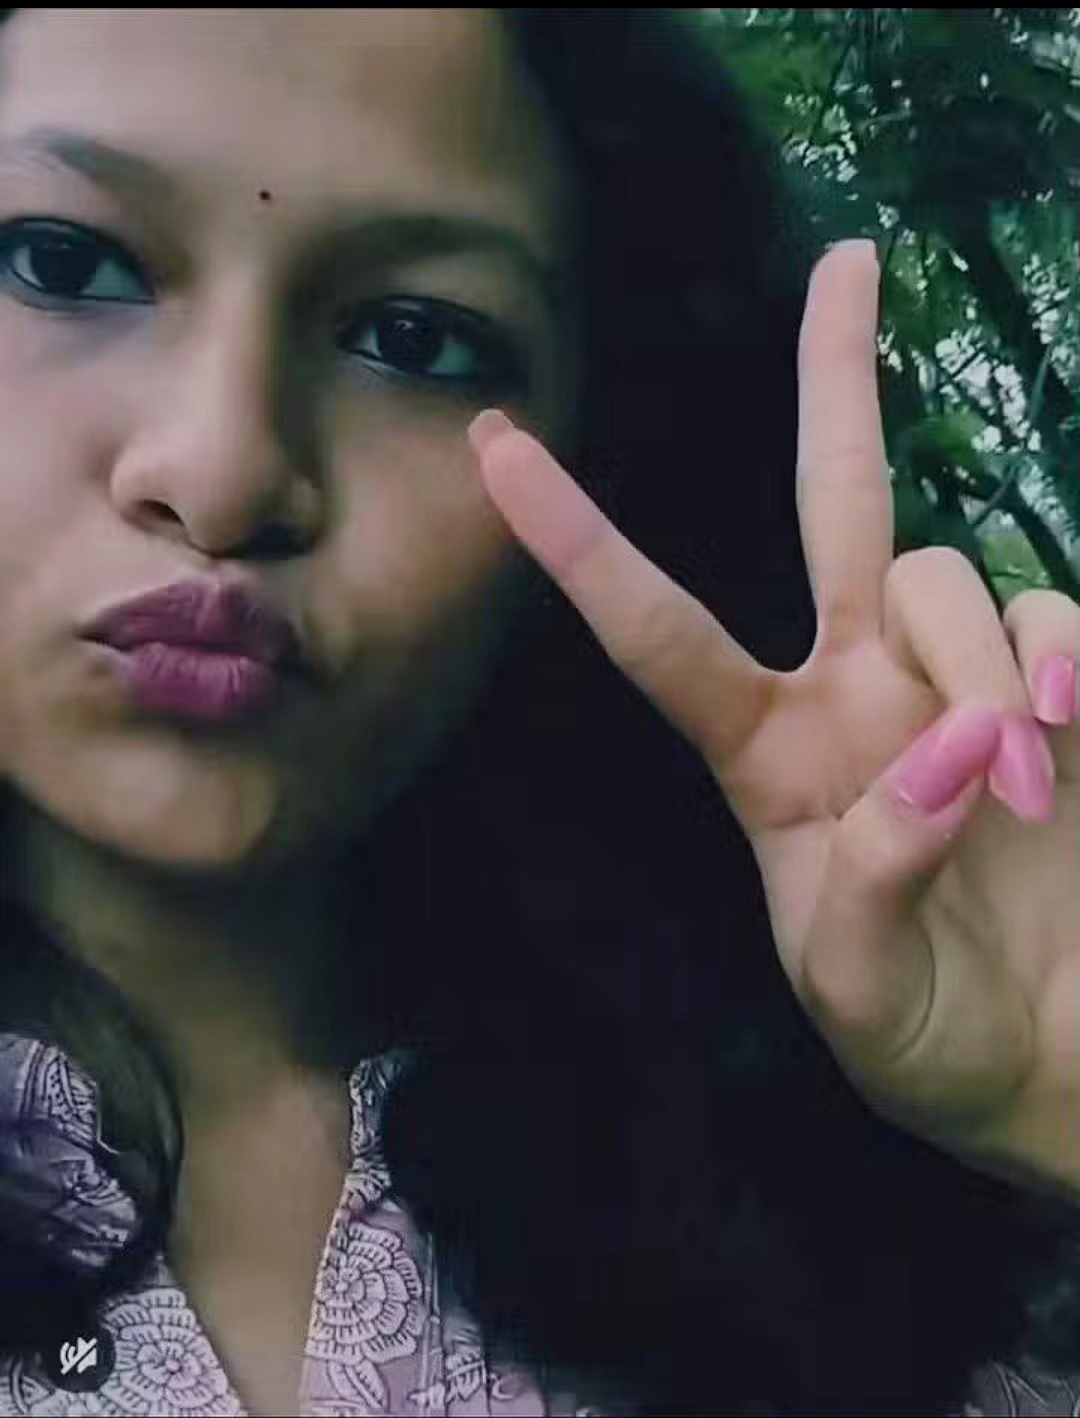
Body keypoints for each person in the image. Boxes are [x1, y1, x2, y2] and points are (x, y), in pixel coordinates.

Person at [0, 7, 1076, 1416]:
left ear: (605, 439)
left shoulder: (821, 1198)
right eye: (62, 263)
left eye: (414, 338)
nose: (222, 473)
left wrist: (1050, 1103)